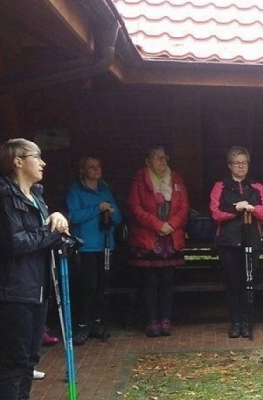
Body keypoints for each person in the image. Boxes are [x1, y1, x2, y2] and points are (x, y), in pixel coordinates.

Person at [0, 138, 69, 400]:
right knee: (13, 362)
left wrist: (54, 217)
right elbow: (15, 243)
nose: (42, 163)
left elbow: (40, 236)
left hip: (35, 287)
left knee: (28, 360)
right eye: (36, 157)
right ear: (17, 161)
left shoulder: (36, 196)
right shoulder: (3, 198)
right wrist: (51, 232)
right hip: (11, 291)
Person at [209, 146, 263, 339]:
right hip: (229, 242)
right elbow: (216, 212)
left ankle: (247, 320)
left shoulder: (256, 186)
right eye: (237, 163)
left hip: (251, 240)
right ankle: (235, 321)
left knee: (248, 282)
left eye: (244, 163)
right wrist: (237, 208)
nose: (241, 166)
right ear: (229, 165)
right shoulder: (221, 186)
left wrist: (252, 209)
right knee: (233, 283)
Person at [126, 147, 189, 338]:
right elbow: (135, 207)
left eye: (165, 157)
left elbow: (184, 206)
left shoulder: (176, 178)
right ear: (148, 161)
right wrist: (157, 225)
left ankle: (166, 319)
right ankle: (151, 320)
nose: (162, 161)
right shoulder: (139, 179)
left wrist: (171, 224)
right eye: (157, 157)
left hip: (170, 237)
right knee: (150, 281)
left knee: (168, 281)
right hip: (148, 238)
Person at [66, 155, 122, 344]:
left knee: (102, 287)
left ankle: (98, 323)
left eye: (98, 166)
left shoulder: (105, 190)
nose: (96, 170)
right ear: (82, 170)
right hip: (85, 247)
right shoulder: (76, 191)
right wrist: (97, 209)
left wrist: (111, 213)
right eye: (91, 167)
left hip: (105, 245)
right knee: (86, 287)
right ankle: (82, 325)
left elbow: (118, 218)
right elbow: (73, 216)